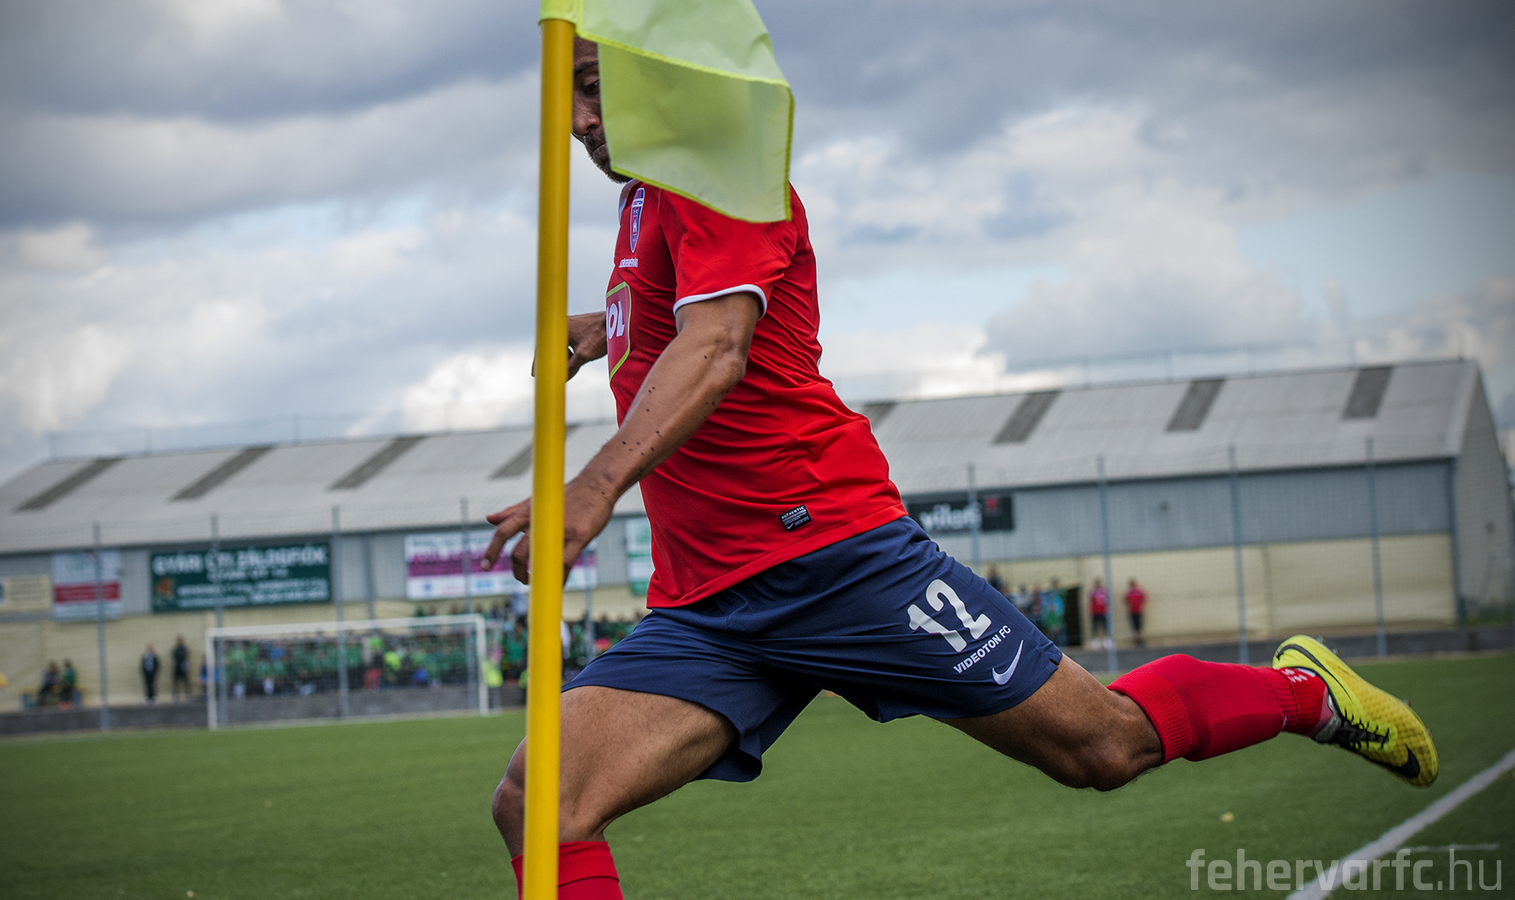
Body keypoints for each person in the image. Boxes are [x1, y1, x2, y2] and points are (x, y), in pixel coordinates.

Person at [484, 39, 1440, 899]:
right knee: (540, 801)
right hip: (710, 603)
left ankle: (1309, 696)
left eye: (595, 87)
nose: (579, 122)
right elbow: (689, 320)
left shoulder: (721, 168)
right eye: (566, 98)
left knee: (1103, 747)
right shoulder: (643, 196)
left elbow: (717, 346)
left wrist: (591, 487)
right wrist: (601, 327)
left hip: (833, 559)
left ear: (662, 68)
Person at [1124, 578, 1148, 648]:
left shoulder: (1139, 591)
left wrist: (1142, 606)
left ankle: (1140, 639)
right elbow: (1125, 600)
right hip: (1132, 611)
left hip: (1138, 611)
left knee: (1139, 625)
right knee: (1134, 625)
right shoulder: (1129, 593)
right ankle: (1136, 639)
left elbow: (1144, 598)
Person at [1088, 578, 1111, 650]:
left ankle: (1106, 641)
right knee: (1095, 627)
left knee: (1105, 627)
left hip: (1103, 612)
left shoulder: (1104, 592)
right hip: (1095, 612)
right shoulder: (1093, 592)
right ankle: (1096, 642)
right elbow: (1091, 601)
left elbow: (1107, 601)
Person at [172, 635, 191, 701]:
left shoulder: (184, 649)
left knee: (186, 681)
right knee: (176, 681)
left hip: (183, 666)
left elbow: (186, 656)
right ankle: (176, 695)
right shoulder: (175, 649)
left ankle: (187, 694)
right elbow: (174, 656)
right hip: (177, 667)